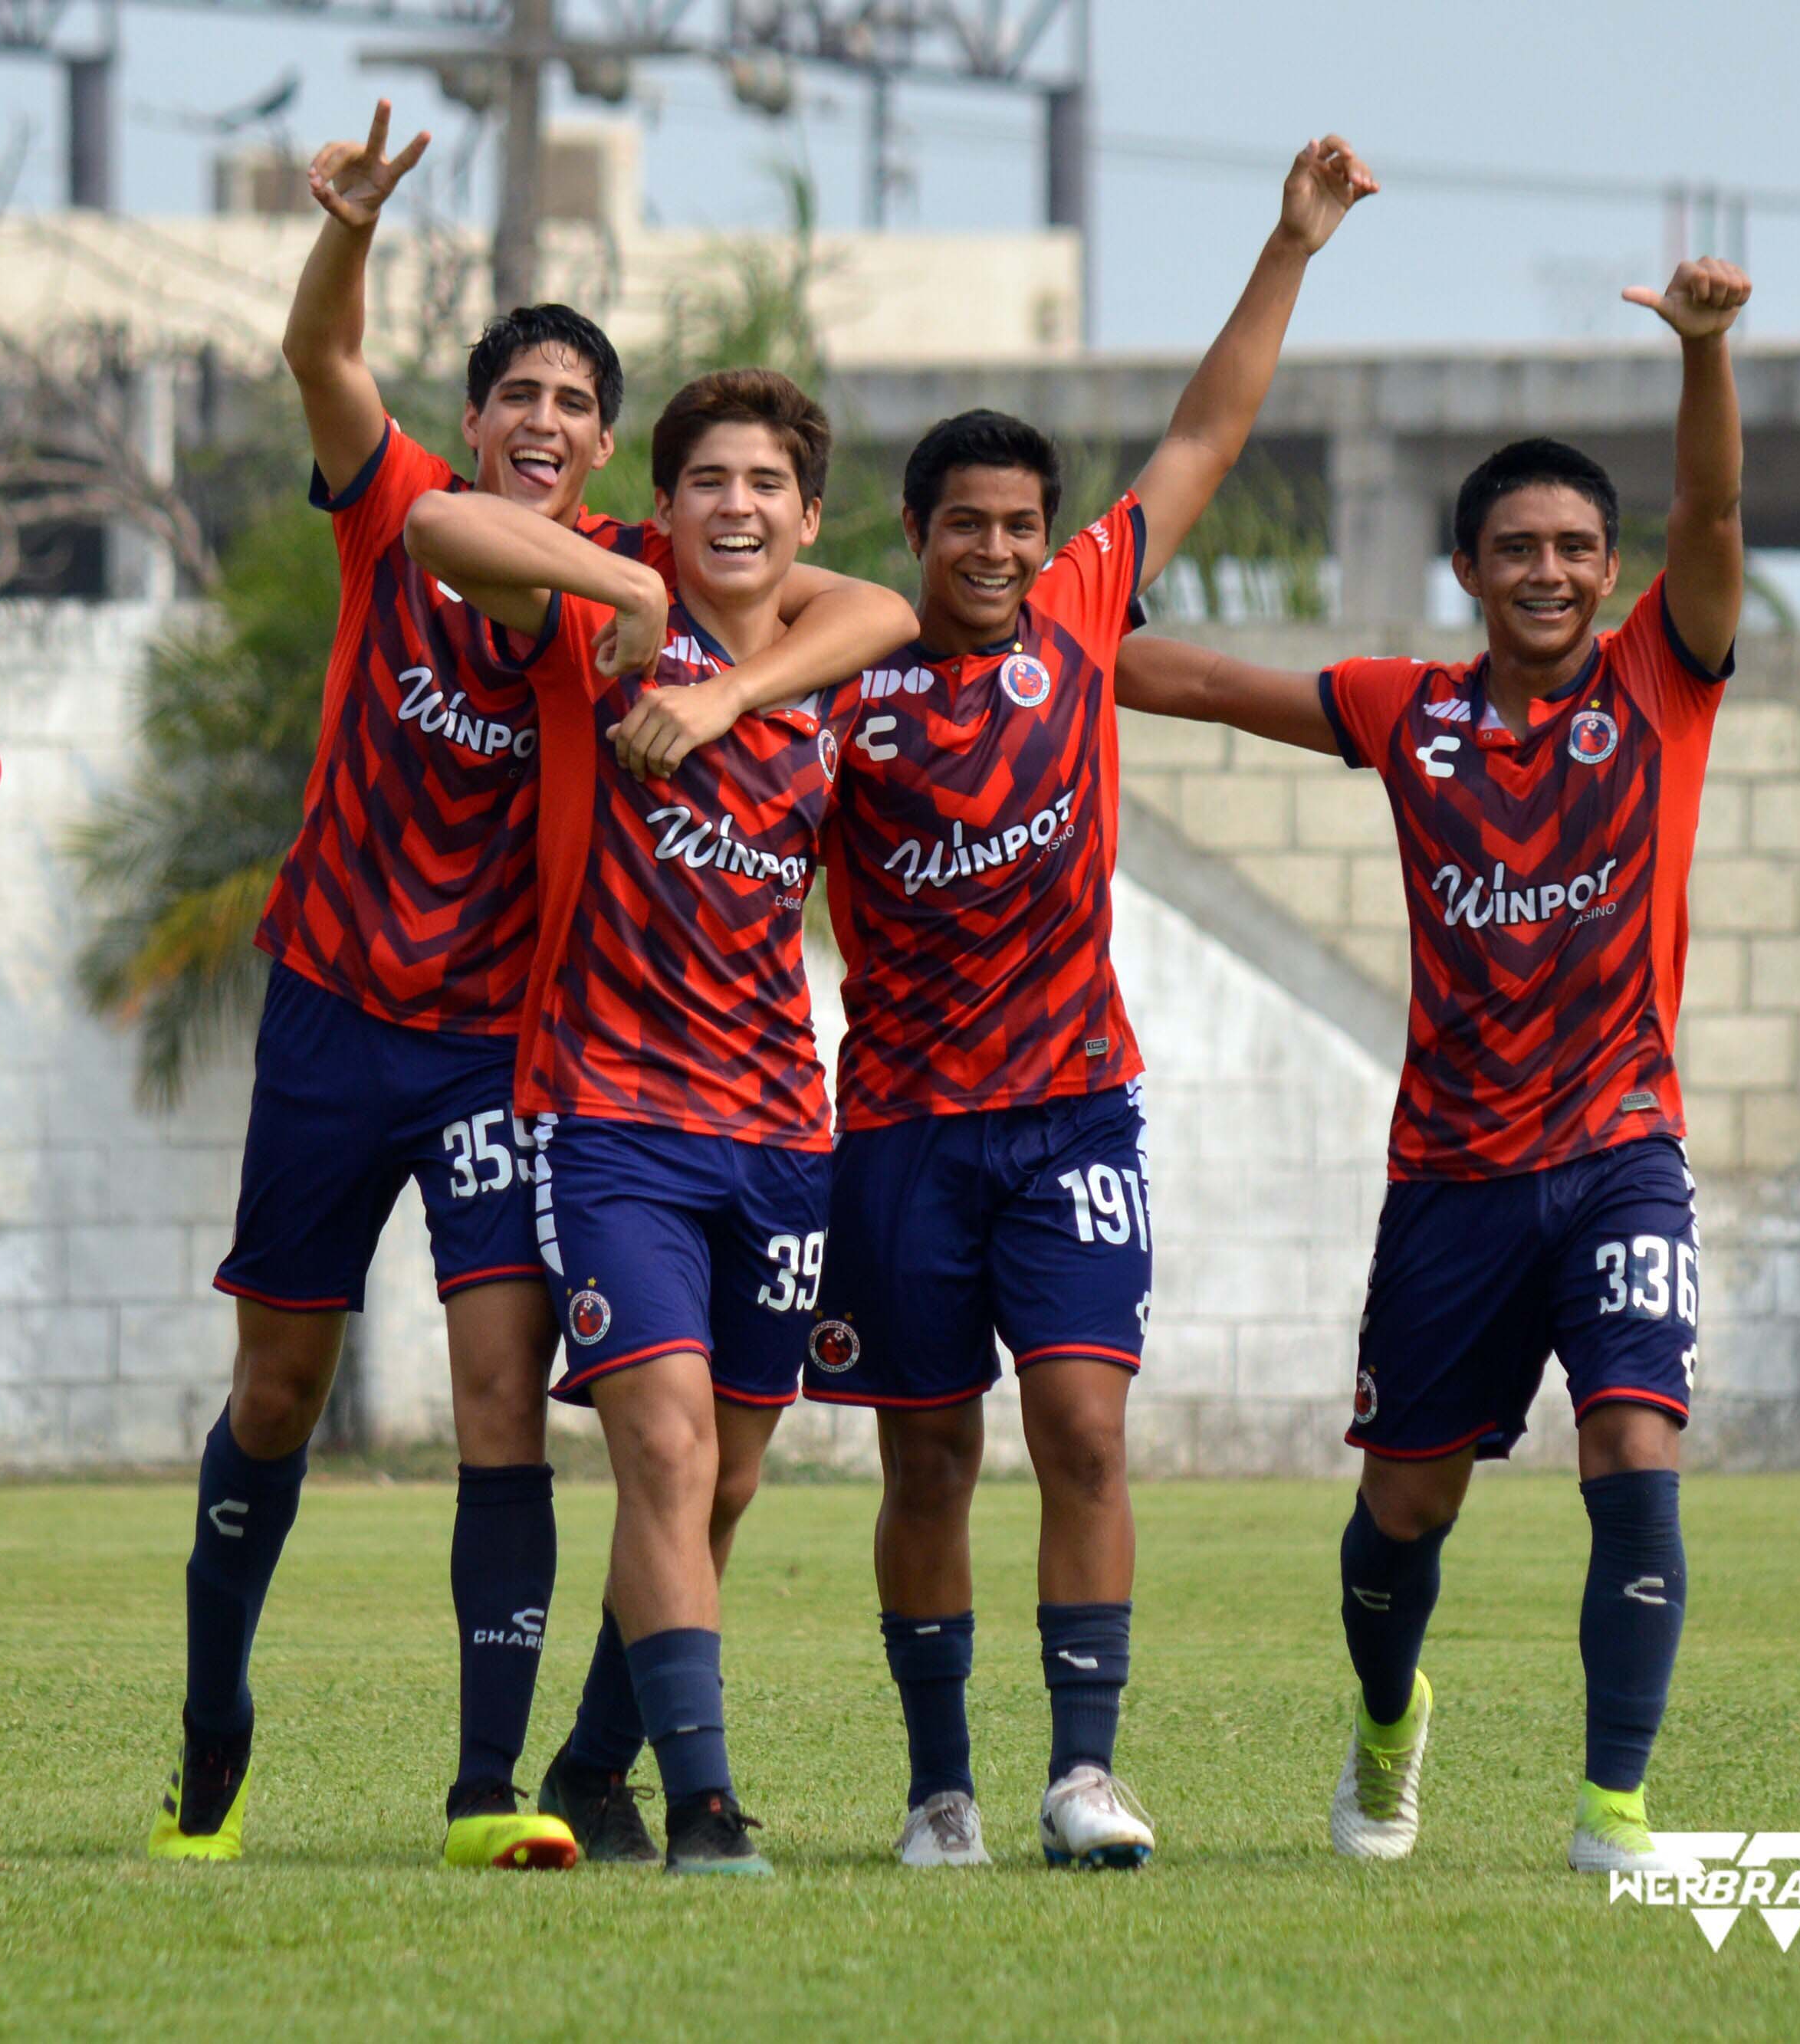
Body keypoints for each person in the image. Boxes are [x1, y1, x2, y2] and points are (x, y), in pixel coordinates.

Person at [157, 102, 917, 1873]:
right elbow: (348, 397)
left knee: (506, 1400)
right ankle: (214, 1718)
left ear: (599, 445)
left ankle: (491, 1789)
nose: (547, 425)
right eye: (525, 399)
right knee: (277, 1390)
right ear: (486, 417)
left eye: (579, 407)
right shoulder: (425, 525)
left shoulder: (662, 577)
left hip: (511, 1048)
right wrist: (342, 225)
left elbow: (861, 606)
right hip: (334, 1010)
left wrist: (706, 670)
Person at [610, 138, 1378, 1872]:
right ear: (914, 536)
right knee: (930, 1462)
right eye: (970, 526)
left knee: (1088, 1422)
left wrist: (1289, 246)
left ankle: (1083, 1774)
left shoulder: (1086, 613)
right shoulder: (838, 676)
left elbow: (1204, 439)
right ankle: (940, 1787)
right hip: (892, 1128)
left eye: (1025, 528)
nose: (1002, 552)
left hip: (1075, 1111)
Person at [1111, 258, 1752, 1874]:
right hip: (1451, 1181)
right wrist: (1017, 631)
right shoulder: (1407, 712)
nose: (1548, 570)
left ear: (1613, 570)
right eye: (1517, 548)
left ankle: (1612, 1805)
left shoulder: (1659, 684)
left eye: (1574, 549)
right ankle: (1386, 1730)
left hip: (1622, 1150)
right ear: (1467, 566)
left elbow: (1717, 512)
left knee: (1633, 1445)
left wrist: (1703, 355)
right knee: (1407, 1507)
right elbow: (1187, 678)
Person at [406, 368, 921, 1874]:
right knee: (668, 1454)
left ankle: (590, 1764)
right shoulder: (601, 625)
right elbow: (441, 521)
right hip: (608, 1114)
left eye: (765, 485)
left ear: (804, 514)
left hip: (777, 1125)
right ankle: (704, 1808)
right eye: (707, 482)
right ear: (666, 499)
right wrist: (634, 587)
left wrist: (721, 696)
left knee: (734, 1479)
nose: (737, 507)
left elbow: (885, 608)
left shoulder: (814, 667)